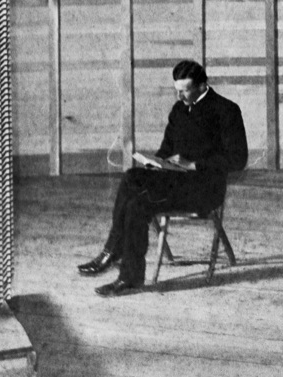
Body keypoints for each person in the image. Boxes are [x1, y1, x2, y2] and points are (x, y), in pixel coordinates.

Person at [80, 59, 248, 296]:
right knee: (132, 177)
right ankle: (118, 260)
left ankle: (123, 268)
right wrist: (155, 163)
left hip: (204, 189)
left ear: (202, 86)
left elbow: (238, 159)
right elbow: (166, 150)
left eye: (185, 91)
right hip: (176, 182)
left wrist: (195, 165)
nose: (180, 97)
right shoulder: (179, 110)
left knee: (138, 204)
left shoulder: (226, 110)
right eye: (177, 91)